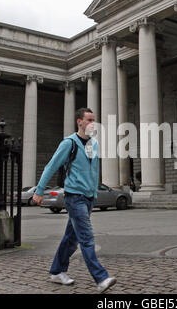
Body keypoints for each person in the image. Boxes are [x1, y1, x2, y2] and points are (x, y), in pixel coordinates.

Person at [32, 108, 117, 294]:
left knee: (71, 238)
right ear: (79, 122)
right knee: (86, 238)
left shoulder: (94, 144)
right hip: (74, 196)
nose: (92, 123)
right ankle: (101, 278)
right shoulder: (68, 143)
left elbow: (94, 172)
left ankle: (56, 271)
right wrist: (38, 191)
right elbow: (51, 166)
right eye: (89, 120)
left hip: (88, 198)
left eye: (94, 120)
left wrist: (94, 194)